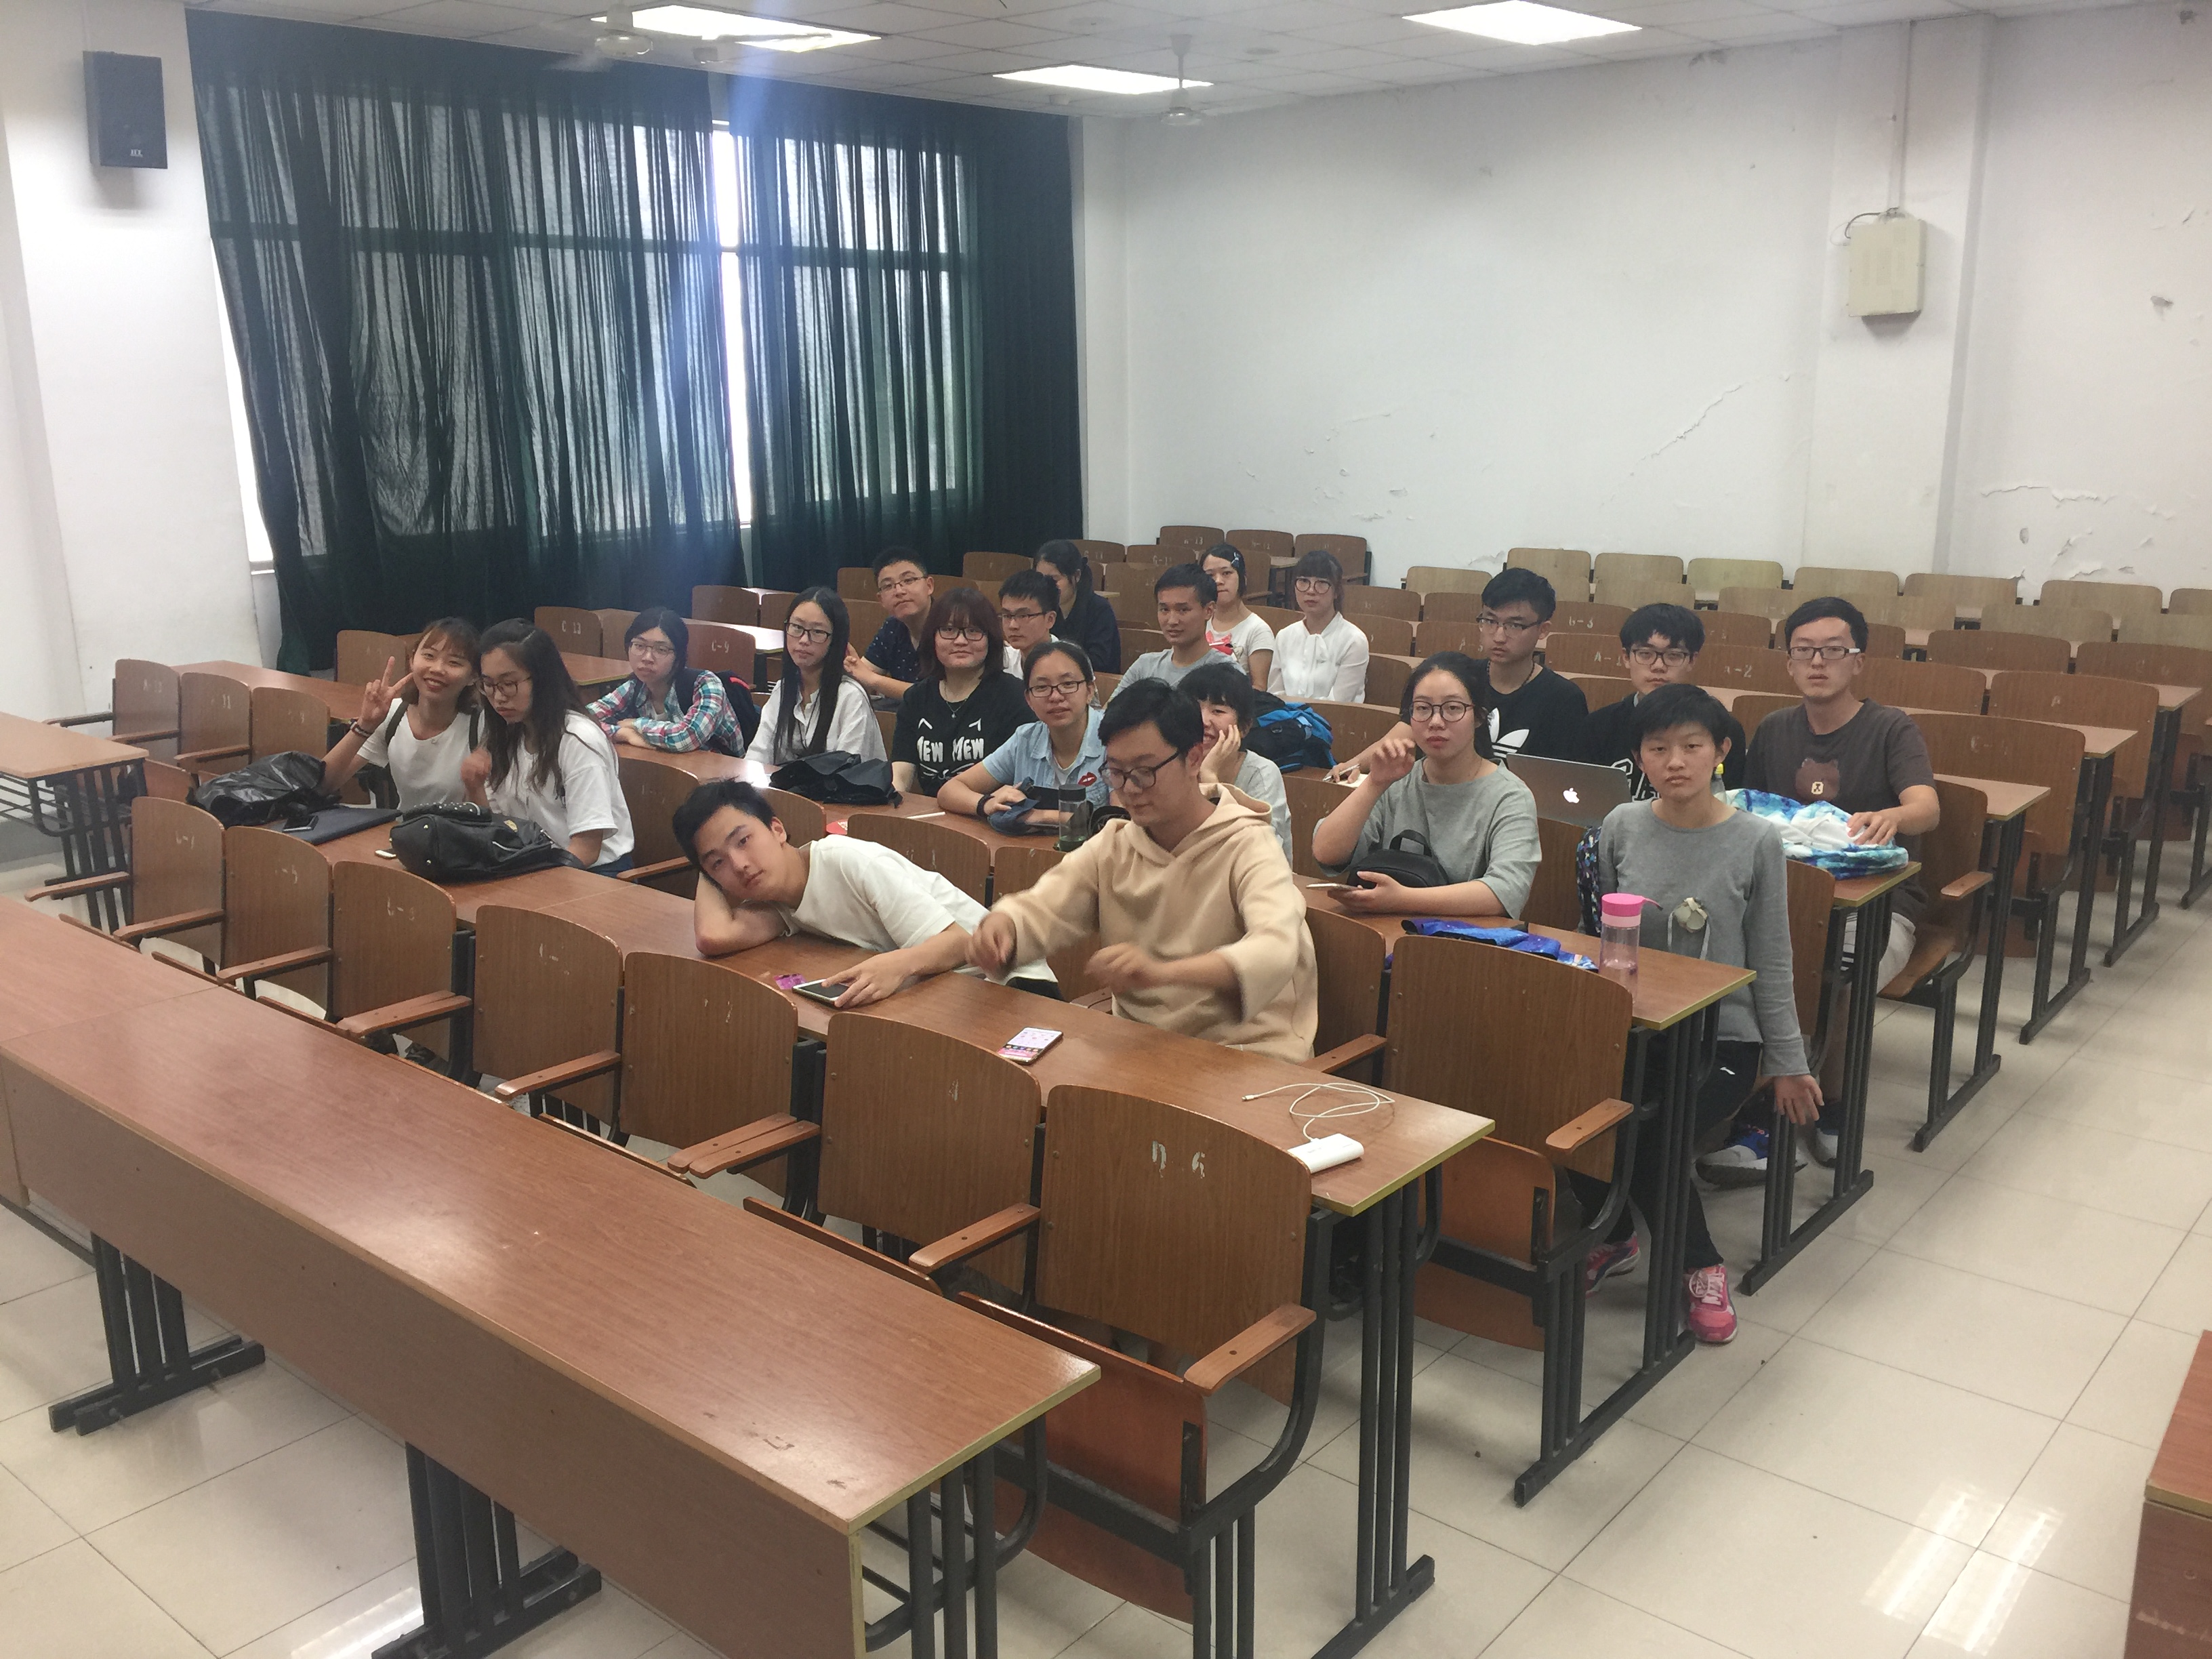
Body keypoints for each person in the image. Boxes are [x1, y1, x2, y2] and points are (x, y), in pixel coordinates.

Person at [1571, 682, 1819, 1347]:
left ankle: (1700, 1266)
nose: (1675, 762)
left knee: (1655, 1132)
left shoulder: (1755, 840)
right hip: (1637, 1027)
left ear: (1721, 752)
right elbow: (1608, 937)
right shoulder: (1621, 825)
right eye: (1658, 748)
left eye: (1691, 746)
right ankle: (1615, 1234)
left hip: (1723, 1036)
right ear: (1639, 757)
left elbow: (1773, 957)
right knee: (1568, 1103)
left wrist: (1788, 1061)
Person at [969, 679, 1317, 1061]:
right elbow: (1045, 907)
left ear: (1194, 759)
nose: (1130, 789)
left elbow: (1275, 948)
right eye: (1116, 772)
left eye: (1144, 771)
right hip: (1141, 1047)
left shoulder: (1250, 845)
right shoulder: (1115, 844)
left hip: (1247, 1053)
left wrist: (1164, 973)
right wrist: (1004, 926)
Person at [1721, 594, 1939, 1172]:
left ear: (1858, 661)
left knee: (1833, 982)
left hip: (1878, 905)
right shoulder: (1774, 729)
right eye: (1805, 651)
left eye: (1833, 651)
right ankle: (1743, 1099)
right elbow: (1748, 813)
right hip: (1784, 899)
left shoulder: (1890, 728)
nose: (1818, 663)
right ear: (1789, 663)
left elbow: (1927, 807)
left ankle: (1829, 1105)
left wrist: (1893, 816)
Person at [677, 779, 1011, 1008]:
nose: (739, 865)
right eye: (718, 862)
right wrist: (707, 865)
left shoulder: (847, 861)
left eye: (743, 841)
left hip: (1004, 982)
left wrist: (895, 966)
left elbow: (959, 941)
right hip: (938, 991)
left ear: (777, 830)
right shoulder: (776, 900)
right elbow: (712, 936)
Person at [1310, 651, 1540, 917]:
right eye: (1422, 708)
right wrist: (1374, 783)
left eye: (1452, 708)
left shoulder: (1511, 796)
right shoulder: (1396, 779)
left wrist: (1402, 900)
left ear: (1479, 716)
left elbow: (1504, 891)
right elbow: (1327, 853)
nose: (1436, 722)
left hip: (1463, 936)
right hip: (1386, 926)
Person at [1333, 567, 1589, 779]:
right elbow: (1402, 736)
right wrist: (1351, 766)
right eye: (1490, 621)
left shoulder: (1563, 699)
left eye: (1514, 625)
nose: (1499, 636)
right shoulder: (1461, 677)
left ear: (1543, 630)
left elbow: (1562, 784)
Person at [463, 620, 634, 874]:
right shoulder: (505, 732)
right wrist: (474, 786)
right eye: (488, 684)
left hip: (592, 873)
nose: (498, 697)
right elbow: (499, 829)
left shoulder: (579, 740)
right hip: (532, 864)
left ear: (542, 680)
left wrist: (533, 882)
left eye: (509, 684)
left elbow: (586, 848)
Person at [937, 641, 1107, 829]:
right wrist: (987, 804)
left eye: (1068, 684)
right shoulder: (1025, 739)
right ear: (1029, 700)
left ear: (1089, 690)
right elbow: (949, 791)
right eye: (1042, 687)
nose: (1056, 697)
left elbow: (1120, 820)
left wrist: (1036, 816)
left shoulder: (1114, 738)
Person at [1583, 603, 1746, 798]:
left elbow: (1729, 803)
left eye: (1674, 655)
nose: (1658, 666)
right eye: (1645, 654)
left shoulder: (1724, 728)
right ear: (1626, 657)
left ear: (1692, 660)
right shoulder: (1598, 726)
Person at [321, 617, 480, 808]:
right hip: (405, 826)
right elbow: (323, 785)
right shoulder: (392, 714)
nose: (437, 669)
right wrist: (365, 725)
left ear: (473, 677)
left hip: (459, 827)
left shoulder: (482, 727)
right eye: (429, 656)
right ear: (412, 660)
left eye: (454, 663)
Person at [891, 586, 1034, 798]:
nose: (960, 641)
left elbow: (1023, 778)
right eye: (949, 630)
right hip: (930, 812)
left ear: (991, 639)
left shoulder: (1015, 697)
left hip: (992, 811)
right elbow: (900, 777)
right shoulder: (916, 698)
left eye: (973, 631)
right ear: (933, 637)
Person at [746, 587, 885, 768]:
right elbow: (757, 757)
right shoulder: (783, 689)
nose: (804, 640)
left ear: (836, 640)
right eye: (797, 627)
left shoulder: (851, 698)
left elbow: (849, 774)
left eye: (818, 632)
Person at [586, 608, 744, 755]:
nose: (647, 657)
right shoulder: (635, 687)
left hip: (723, 772)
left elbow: (686, 737)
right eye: (639, 646)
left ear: (678, 656)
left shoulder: (706, 684)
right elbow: (581, 718)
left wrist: (635, 724)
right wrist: (622, 734)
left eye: (661, 650)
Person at [1181, 661, 1292, 860]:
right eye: (1195, 708)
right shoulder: (1175, 764)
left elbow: (1261, 855)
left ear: (1244, 727)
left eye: (1218, 711)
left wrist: (1210, 778)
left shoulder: (1261, 773)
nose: (1203, 721)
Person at [1269, 549, 1370, 703]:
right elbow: (1275, 696)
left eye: (1322, 583)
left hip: (1334, 718)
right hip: (1285, 718)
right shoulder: (1284, 636)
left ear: (1337, 591)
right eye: (1303, 581)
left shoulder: (1354, 641)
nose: (1311, 591)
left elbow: (1338, 704)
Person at [1113, 563, 1221, 695]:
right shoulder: (1145, 666)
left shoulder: (1226, 674)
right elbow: (1113, 707)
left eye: (1183, 610)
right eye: (1165, 610)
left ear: (1209, 611)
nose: (1172, 621)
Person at [845, 547, 934, 702]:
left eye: (908, 580)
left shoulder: (951, 627)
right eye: (888, 586)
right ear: (881, 600)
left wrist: (873, 680)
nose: (899, 591)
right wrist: (850, 668)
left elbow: (939, 697)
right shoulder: (892, 627)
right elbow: (862, 675)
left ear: (929, 586)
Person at [1037, 539, 1120, 672]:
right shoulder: (1042, 608)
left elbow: (1098, 662)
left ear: (1076, 576)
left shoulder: (1100, 609)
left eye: (1054, 579)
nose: (1046, 586)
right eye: (1041, 578)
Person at [1202, 542, 1274, 687]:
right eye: (1210, 575)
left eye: (1226, 573)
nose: (1218, 581)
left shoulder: (1258, 630)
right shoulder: (1199, 621)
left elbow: (1260, 688)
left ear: (1243, 579)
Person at [997, 569, 1063, 673]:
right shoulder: (1001, 661)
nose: (1012, 625)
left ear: (1050, 619)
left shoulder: (1071, 663)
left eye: (1023, 616)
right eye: (1007, 616)